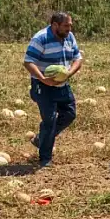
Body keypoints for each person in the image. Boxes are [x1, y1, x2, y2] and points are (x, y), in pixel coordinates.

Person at [22, 11, 83, 168]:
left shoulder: (69, 37)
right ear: (55, 25)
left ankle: (41, 139)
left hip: (62, 85)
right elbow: (28, 62)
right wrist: (43, 79)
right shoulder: (40, 38)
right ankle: (45, 158)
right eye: (66, 26)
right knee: (50, 120)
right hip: (43, 87)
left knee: (70, 114)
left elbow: (78, 58)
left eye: (70, 26)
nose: (69, 29)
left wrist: (69, 72)